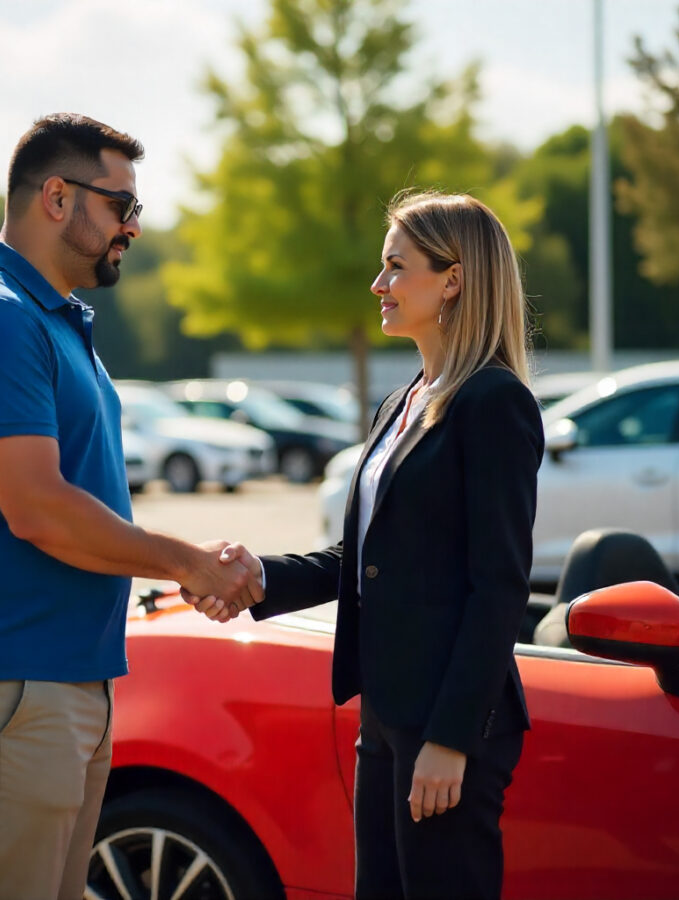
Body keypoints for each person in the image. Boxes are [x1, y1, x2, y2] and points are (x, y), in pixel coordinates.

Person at [0, 113, 262, 900]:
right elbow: (38, 509)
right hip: (11, 679)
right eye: (121, 205)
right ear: (57, 198)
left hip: (61, 678)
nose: (134, 226)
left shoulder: (47, 315)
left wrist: (175, 569)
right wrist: (187, 562)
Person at [190, 191, 544, 900]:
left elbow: (499, 587)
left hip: (447, 722)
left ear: (453, 279)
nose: (379, 284)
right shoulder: (403, 401)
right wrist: (260, 576)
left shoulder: (493, 402)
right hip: (385, 713)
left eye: (396, 267)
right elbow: (367, 560)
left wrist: (450, 739)